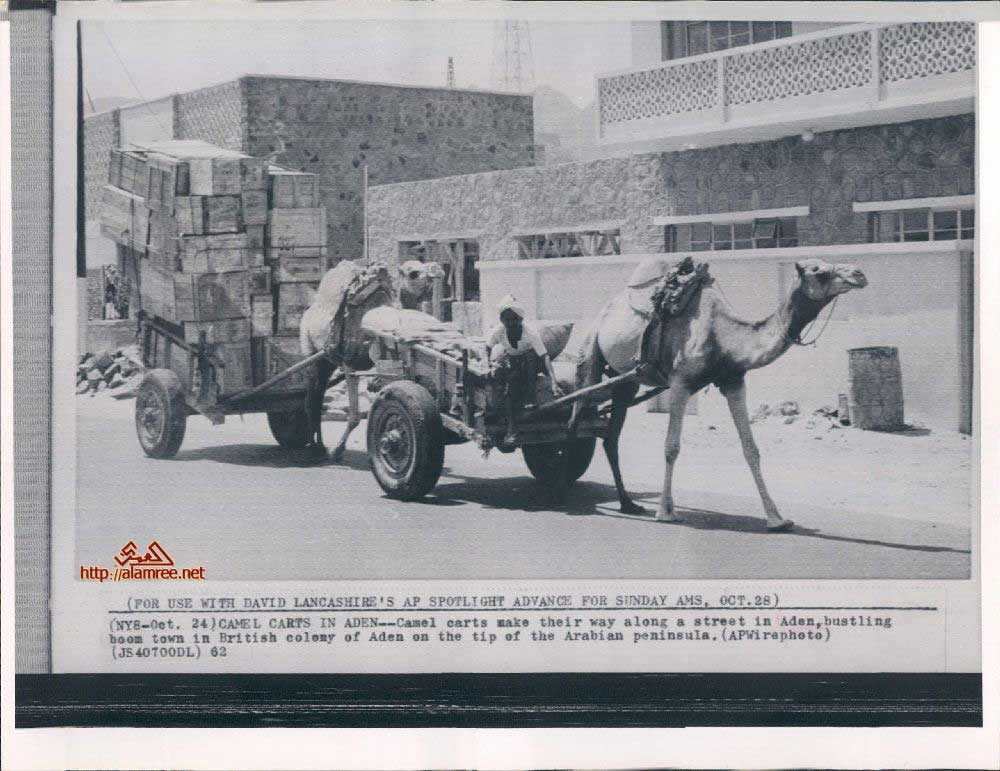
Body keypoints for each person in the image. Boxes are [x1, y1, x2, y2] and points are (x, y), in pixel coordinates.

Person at [487, 295, 563, 448]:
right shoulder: (498, 332)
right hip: (512, 362)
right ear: (502, 320)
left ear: (521, 319)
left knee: (529, 356)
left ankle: (530, 397)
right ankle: (512, 429)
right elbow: (488, 347)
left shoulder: (530, 333)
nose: (511, 323)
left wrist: (553, 382)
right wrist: (488, 365)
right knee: (510, 386)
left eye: (515, 320)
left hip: (531, 365)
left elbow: (544, 356)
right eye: (508, 320)